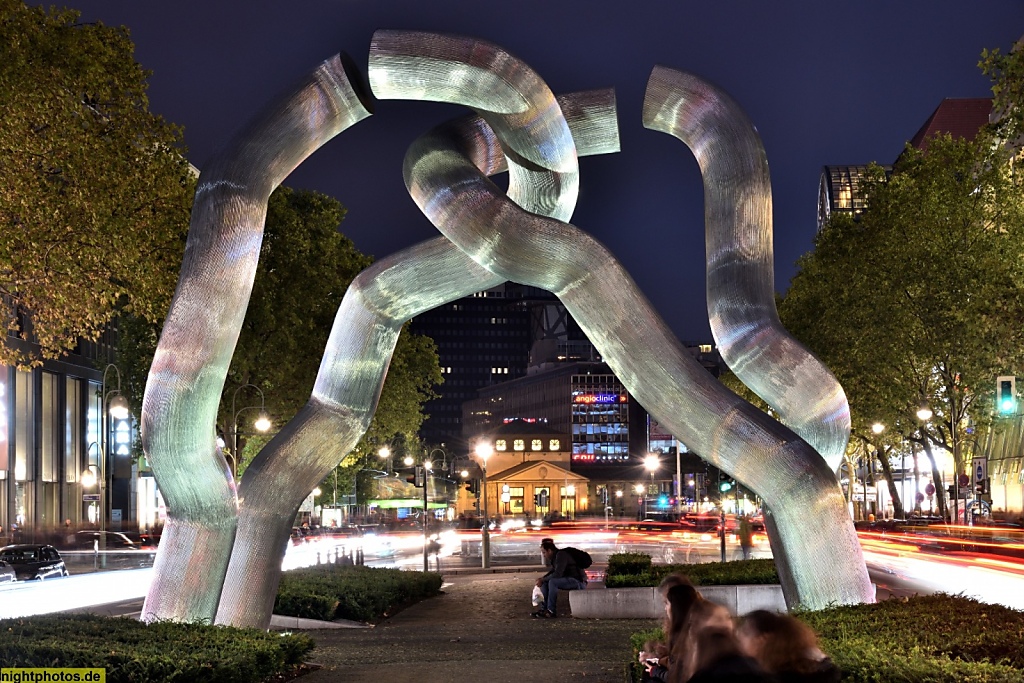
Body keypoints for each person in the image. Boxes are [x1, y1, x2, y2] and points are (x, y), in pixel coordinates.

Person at [737, 610, 841, 683]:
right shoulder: (817, 666)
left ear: (762, 639)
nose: (738, 638)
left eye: (745, 633)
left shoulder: (779, 677)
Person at [638, 574, 699, 678]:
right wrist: (656, 659)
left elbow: (680, 675)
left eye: (666, 602)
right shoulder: (685, 624)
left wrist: (655, 671)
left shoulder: (693, 631)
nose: (665, 609)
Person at [531, 537, 587, 618]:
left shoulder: (561, 555)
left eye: (544, 552)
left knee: (553, 582)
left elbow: (557, 574)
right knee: (545, 582)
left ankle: (551, 610)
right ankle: (544, 609)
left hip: (578, 581)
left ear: (549, 550)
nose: (544, 555)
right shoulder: (555, 557)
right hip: (569, 579)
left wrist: (543, 579)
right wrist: (541, 579)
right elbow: (553, 571)